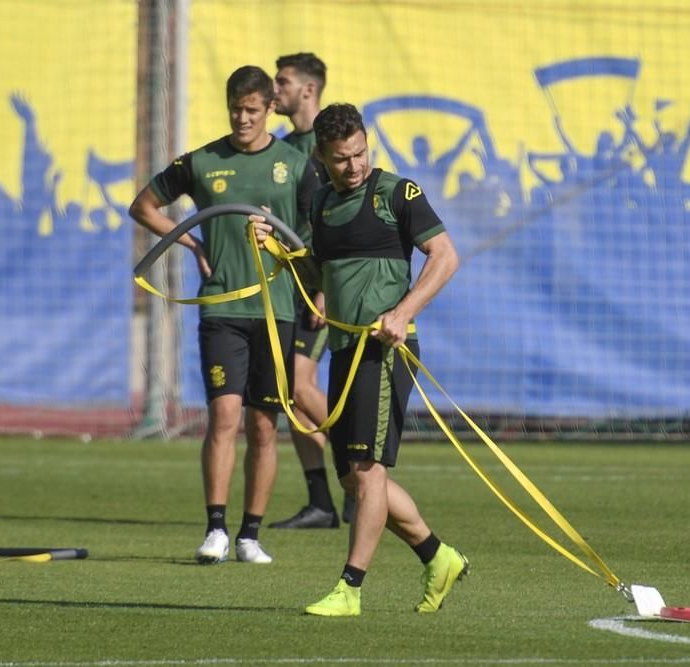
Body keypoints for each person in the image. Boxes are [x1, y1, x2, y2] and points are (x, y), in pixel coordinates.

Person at [253, 103, 467, 616]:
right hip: (345, 351)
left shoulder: (398, 192)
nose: (355, 165)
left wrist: (402, 311)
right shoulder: (323, 205)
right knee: (353, 475)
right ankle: (438, 558)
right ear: (322, 159)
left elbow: (446, 256)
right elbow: (318, 278)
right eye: (342, 159)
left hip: (387, 349)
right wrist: (281, 253)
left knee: (367, 470)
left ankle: (350, 588)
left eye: (360, 152)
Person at [129, 65, 317, 565]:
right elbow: (144, 205)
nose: (242, 118)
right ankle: (215, 528)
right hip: (222, 308)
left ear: (270, 109)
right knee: (224, 416)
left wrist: (297, 267)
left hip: (277, 310)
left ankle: (250, 536)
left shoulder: (296, 165)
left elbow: (316, 233)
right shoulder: (204, 161)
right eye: (235, 108)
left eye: (252, 110)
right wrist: (191, 241)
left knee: (263, 426)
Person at [268, 52, 353, 529]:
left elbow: (337, 219)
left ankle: (361, 468)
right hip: (287, 283)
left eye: (282, 82)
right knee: (290, 392)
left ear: (308, 90)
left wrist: (324, 287)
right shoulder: (282, 147)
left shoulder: (329, 149)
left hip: (318, 285)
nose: (274, 90)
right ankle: (321, 501)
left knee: (299, 386)